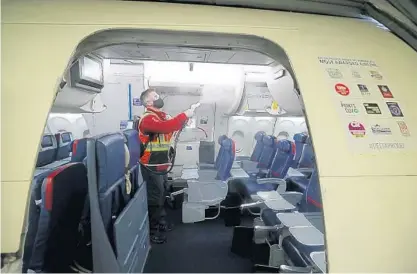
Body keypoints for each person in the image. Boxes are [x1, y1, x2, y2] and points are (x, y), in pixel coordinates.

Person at [137, 88, 197, 244]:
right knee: (154, 199)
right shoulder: (148, 119)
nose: (158, 98)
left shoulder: (161, 117)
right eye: (155, 96)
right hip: (151, 166)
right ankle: (152, 231)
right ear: (148, 102)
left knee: (162, 195)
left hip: (161, 165)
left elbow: (171, 127)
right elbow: (166, 127)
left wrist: (185, 118)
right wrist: (185, 114)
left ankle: (161, 222)